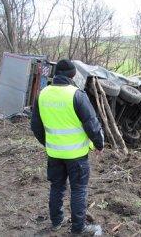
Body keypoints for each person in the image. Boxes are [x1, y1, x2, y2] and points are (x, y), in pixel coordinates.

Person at [30, 59, 104, 235]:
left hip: (54, 153)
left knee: (57, 187)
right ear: (72, 75)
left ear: (56, 75)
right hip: (77, 155)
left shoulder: (42, 94)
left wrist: (48, 143)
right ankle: (79, 228)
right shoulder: (77, 95)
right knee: (78, 189)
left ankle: (56, 222)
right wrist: (99, 144)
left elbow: (35, 126)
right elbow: (92, 125)